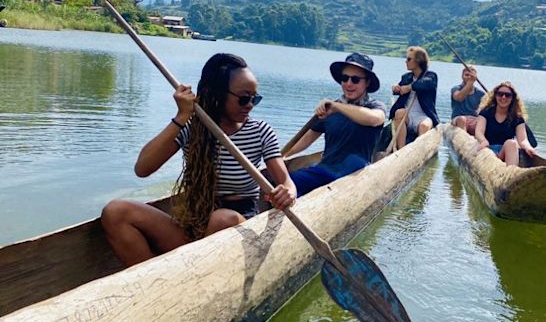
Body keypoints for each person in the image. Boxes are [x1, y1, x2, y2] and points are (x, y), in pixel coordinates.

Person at [101, 53, 296, 267]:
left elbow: (285, 181)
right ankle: (156, 282)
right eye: (243, 98)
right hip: (194, 226)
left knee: (221, 219)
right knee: (116, 212)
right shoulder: (195, 127)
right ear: (219, 94)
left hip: (237, 231)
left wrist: (287, 193)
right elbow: (143, 168)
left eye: (254, 98)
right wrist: (181, 117)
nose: (250, 105)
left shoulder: (260, 131)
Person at [284, 52, 386, 197]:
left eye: (355, 79)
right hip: (326, 170)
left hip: (355, 174)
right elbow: (305, 140)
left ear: (367, 83)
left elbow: (375, 119)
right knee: (289, 184)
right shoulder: (330, 110)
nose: (349, 83)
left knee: (353, 160)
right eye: (345, 78)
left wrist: (337, 107)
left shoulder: (374, 106)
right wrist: (281, 156)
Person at [475, 81, 537, 166]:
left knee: (511, 143)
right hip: (488, 151)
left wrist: (528, 148)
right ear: (495, 96)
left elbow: (523, 140)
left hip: (506, 152)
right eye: (500, 94)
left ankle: (510, 173)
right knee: (510, 144)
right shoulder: (486, 112)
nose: (503, 97)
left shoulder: (517, 118)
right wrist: (484, 141)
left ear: (512, 98)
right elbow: (479, 131)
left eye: (507, 95)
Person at [389, 46, 439, 149]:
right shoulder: (406, 77)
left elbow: (426, 84)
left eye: (409, 59)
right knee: (399, 113)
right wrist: (396, 88)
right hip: (408, 115)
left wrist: (410, 87)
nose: (406, 62)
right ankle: (401, 149)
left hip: (423, 116)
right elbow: (400, 89)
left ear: (419, 61)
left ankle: (418, 151)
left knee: (424, 126)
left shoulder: (431, 76)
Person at [450, 65, 485, 135]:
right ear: (462, 76)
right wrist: (470, 83)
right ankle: (465, 142)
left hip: (474, 119)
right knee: (462, 120)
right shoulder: (456, 89)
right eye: (466, 75)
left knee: (482, 122)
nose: (469, 77)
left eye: (471, 76)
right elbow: (459, 98)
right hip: (458, 118)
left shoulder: (480, 93)